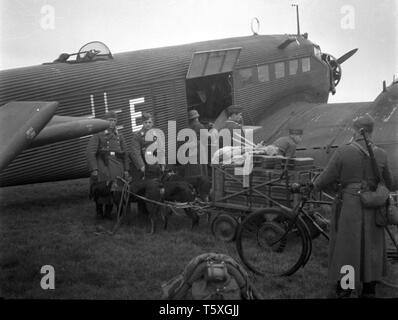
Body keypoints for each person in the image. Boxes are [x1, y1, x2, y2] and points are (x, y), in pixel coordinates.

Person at [313, 113, 393, 298]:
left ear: (356, 130)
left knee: (348, 247)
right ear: (372, 130)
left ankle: (346, 287)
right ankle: (369, 288)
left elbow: (326, 177)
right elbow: (388, 182)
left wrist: (313, 185)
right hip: (373, 205)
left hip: (350, 205)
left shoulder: (344, 151)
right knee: (372, 246)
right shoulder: (381, 153)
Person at [86, 111, 129, 219]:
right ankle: (99, 210)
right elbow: (90, 152)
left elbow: (125, 153)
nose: (112, 123)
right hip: (103, 164)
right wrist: (94, 169)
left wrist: (126, 169)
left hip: (117, 165)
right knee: (102, 187)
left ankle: (109, 211)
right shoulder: (98, 134)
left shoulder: (120, 136)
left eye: (114, 121)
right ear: (105, 121)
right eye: (110, 120)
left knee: (115, 189)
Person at [129, 112, 165, 180]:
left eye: (149, 122)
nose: (148, 124)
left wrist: (162, 164)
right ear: (142, 123)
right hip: (146, 165)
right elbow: (136, 153)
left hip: (157, 164)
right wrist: (142, 166)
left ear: (152, 123)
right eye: (145, 122)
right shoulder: (137, 136)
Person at [182, 109, 212, 177]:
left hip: (189, 150)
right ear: (197, 118)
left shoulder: (188, 127)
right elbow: (208, 137)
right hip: (198, 148)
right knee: (201, 168)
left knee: (192, 169)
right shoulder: (199, 125)